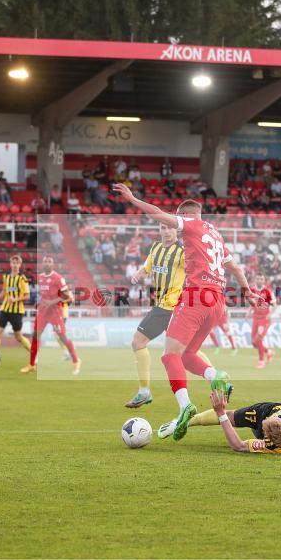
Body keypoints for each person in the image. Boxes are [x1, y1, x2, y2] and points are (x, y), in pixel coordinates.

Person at [112, 183, 260, 442]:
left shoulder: (190, 224)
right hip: (217, 302)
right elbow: (235, 268)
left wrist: (133, 198)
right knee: (188, 354)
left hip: (195, 297)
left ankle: (184, 407)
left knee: (170, 356)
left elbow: (157, 214)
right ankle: (216, 375)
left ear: (185, 215)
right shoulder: (216, 235)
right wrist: (247, 291)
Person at [125, 223, 209, 408]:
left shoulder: (181, 250)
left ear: (175, 230)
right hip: (162, 306)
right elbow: (147, 267)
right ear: (160, 230)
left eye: (170, 228)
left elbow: (196, 269)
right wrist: (138, 275)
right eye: (163, 228)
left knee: (143, 344)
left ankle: (144, 392)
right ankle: (216, 378)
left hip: (173, 307)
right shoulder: (155, 247)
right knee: (183, 350)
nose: (166, 231)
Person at [23, 255, 80, 375]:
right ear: (42, 264)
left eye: (49, 261)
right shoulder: (40, 277)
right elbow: (44, 295)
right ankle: (32, 364)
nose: (47, 263)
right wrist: (39, 303)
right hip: (43, 312)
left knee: (62, 337)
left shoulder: (58, 278)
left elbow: (67, 296)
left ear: (52, 264)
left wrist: (52, 302)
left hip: (55, 312)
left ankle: (76, 360)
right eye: (45, 262)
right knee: (35, 336)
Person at [0, 255, 32, 370]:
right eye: (13, 263)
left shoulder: (22, 278)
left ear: (20, 265)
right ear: (10, 264)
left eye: (17, 263)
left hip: (16, 311)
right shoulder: (6, 277)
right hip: (5, 309)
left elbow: (27, 296)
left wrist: (15, 299)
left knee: (18, 337)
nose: (15, 265)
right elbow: (4, 291)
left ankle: (34, 353)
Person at [250, 273, 274, 368]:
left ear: (264, 281)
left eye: (261, 279)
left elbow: (274, 305)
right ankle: (268, 352)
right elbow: (252, 303)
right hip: (255, 318)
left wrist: (270, 314)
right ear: (256, 280)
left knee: (258, 339)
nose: (259, 280)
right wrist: (248, 312)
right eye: (258, 278)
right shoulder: (252, 290)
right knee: (254, 342)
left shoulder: (267, 291)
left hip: (264, 320)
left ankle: (261, 361)